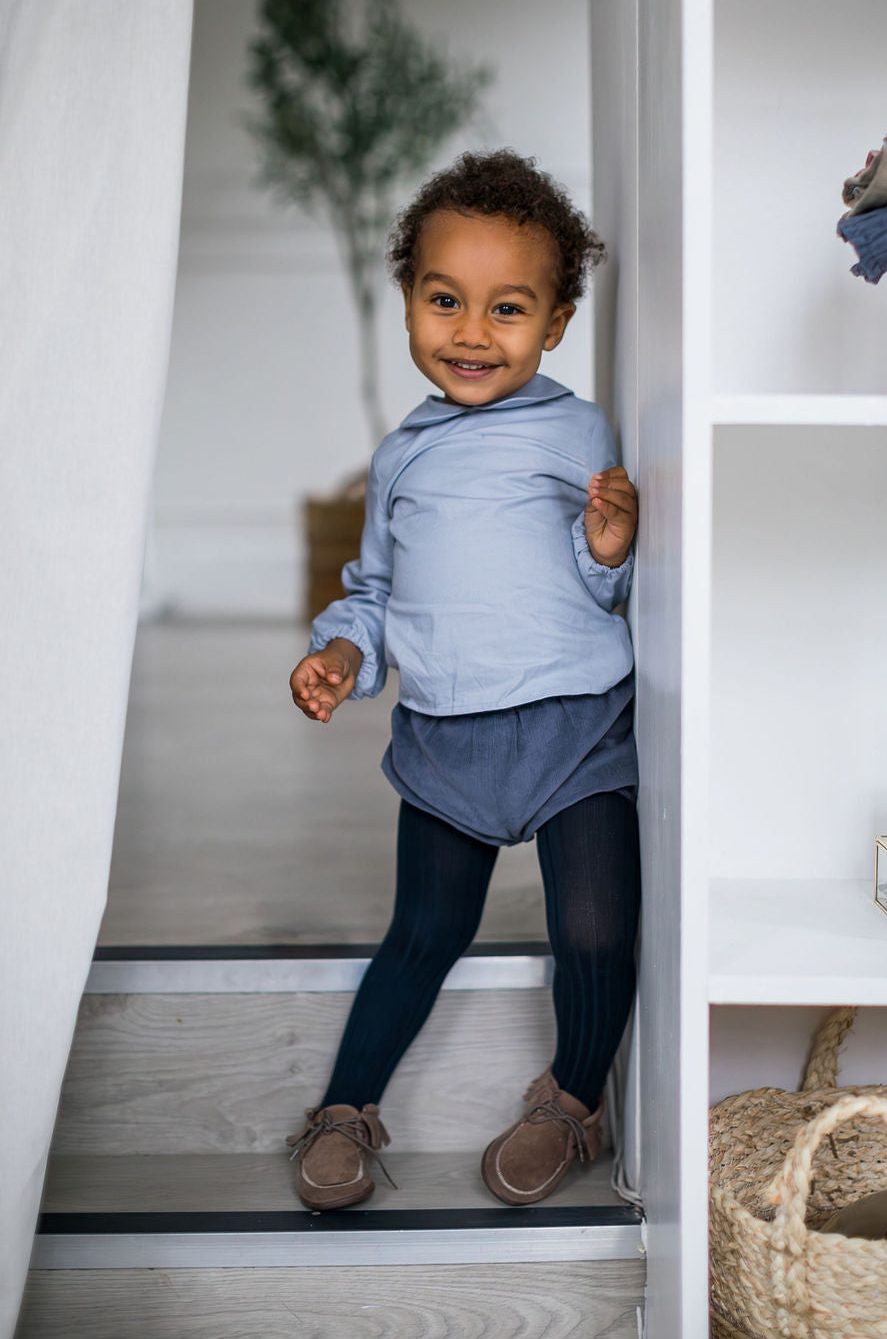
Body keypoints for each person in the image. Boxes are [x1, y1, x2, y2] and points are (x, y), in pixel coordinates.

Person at [287, 149, 640, 1211]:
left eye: (508, 308)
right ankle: (345, 1108)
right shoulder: (399, 456)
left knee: (594, 927)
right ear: (408, 298)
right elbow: (375, 591)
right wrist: (344, 654)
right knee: (425, 932)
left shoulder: (577, 432)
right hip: (447, 737)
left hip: (575, 728)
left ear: (558, 321)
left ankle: (573, 1099)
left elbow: (598, 586)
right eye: (446, 300)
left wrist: (609, 548)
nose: (473, 333)